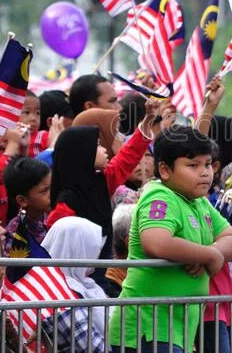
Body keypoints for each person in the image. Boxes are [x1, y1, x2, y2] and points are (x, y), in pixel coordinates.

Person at [108, 126, 232, 353]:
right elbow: (156, 242)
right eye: (192, 165)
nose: (204, 172)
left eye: (207, 164)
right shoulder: (160, 195)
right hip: (148, 326)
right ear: (165, 170)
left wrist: (209, 252)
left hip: (175, 327)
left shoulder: (199, 201)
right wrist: (209, 256)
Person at [47, 107, 155, 287]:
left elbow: (127, 157)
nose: (104, 149)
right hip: (72, 284)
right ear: (82, 153)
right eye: (96, 145)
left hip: (100, 277)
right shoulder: (65, 205)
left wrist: (148, 121)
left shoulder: (102, 182)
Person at [41, 217, 115, 353]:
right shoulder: (60, 295)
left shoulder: (86, 286)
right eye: (92, 250)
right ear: (77, 250)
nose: (96, 258)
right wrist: (137, 351)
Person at [3, 157, 51, 247]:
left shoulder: (55, 218)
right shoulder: (16, 234)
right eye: (44, 191)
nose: (52, 194)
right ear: (22, 200)